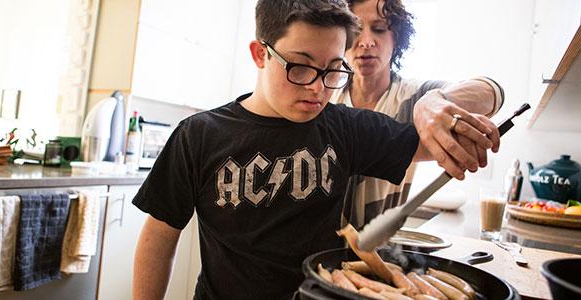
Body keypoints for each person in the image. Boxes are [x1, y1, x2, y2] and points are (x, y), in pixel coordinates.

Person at [132, 0, 499, 299]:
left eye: (332, 70)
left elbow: (435, 139)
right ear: (260, 54)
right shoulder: (199, 135)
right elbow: (161, 234)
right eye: (301, 67)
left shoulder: (345, 127)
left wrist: (451, 122)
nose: (318, 89)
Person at [333, 0, 504, 229]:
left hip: (379, 252)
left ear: (397, 37)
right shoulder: (326, 97)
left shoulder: (412, 97)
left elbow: (492, 92)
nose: (366, 42)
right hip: (319, 255)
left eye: (380, 29)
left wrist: (435, 102)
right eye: (356, 30)